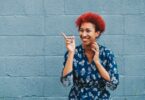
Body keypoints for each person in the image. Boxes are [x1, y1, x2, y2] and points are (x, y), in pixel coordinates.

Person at [60, 12, 119, 100]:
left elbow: (113, 85)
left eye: (88, 31)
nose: (83, 34)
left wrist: (97, 62)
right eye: (81, 30)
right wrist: (71, 53)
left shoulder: (107, 53)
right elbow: (66, 82)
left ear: (97, 33)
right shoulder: (73, 53)